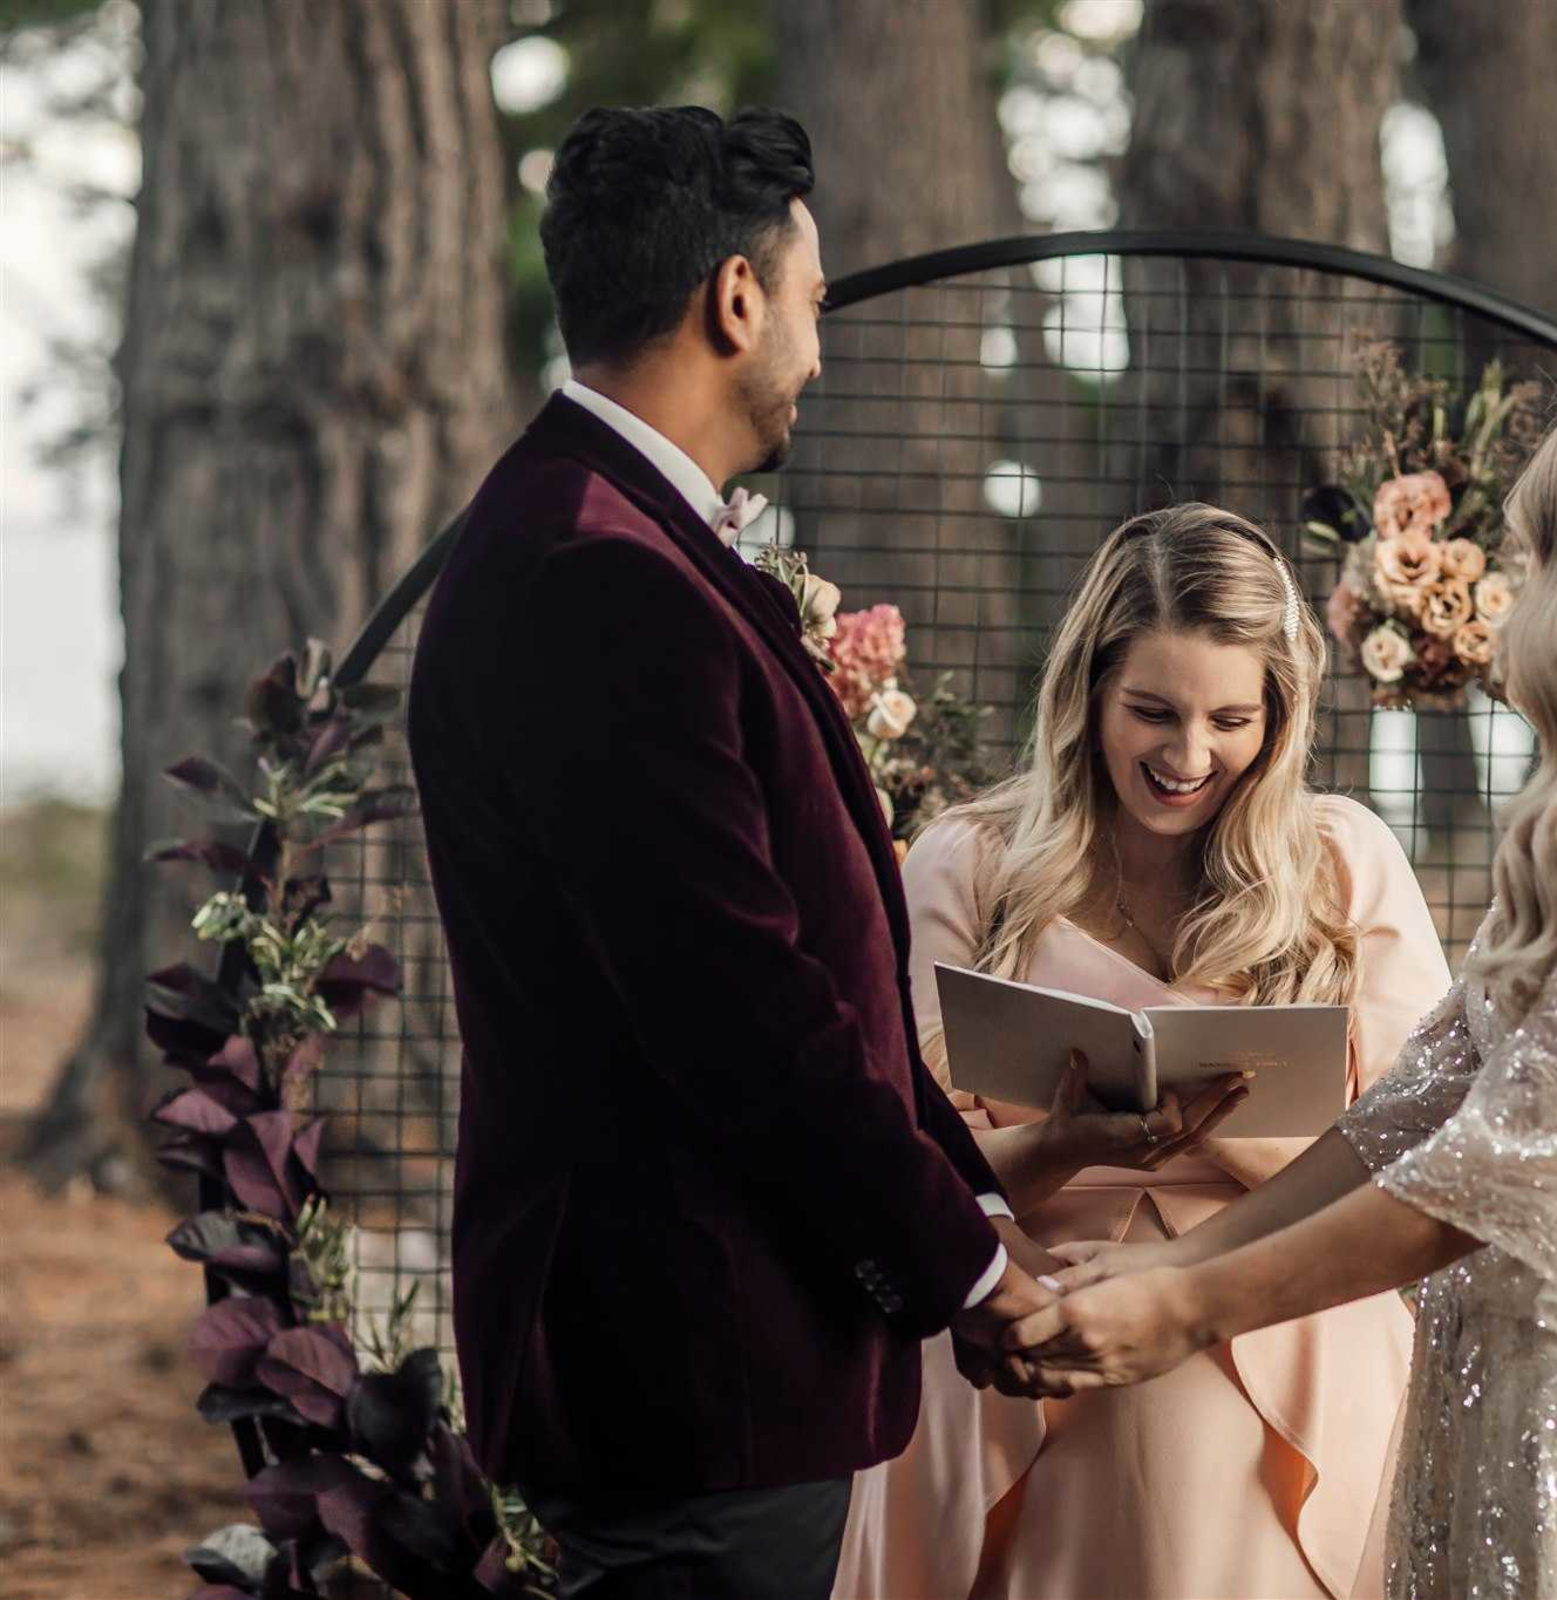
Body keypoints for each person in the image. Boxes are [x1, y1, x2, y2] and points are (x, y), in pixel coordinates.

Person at [1005, 362, 1557, 1600]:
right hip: (1508, 1395)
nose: (1528, 586)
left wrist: (1199, 1309)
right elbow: (1426, 1100)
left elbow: (1521, 1168)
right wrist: (1184, 1266)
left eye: (1553, 546)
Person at [407, 106, 1055, 1599]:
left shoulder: (616, 534)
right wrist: (958, 1262)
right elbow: (735, 1002)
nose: (819, 352)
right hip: (691, 1358)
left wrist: (980, 1208)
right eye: (815, 303)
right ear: (737, 297)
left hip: (722, 1349)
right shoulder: (595, 576)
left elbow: (811, 970)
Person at [835, 504, 1452, 1599]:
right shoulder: (970, 864)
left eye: (1230, 719)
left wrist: (1223, 1141)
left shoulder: (1342, 859)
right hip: (1023, 1338)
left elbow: (1423, 1158)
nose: (1187, 756)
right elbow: (901, 1166)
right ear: (1087, 695)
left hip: (1285, 1324)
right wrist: (1069, 1142)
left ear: (1280, 714)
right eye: (1152, 712)